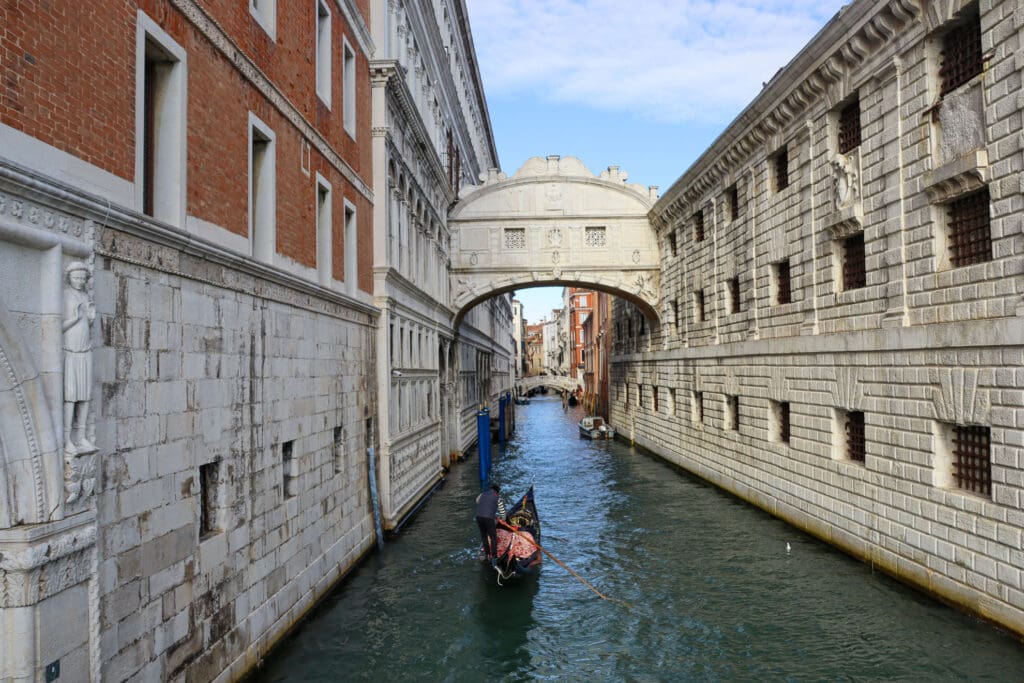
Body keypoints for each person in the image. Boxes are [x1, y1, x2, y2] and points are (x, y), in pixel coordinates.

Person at [475, 483, 506, 561]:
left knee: (484, 536)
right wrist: (503, 520)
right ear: (497, 491)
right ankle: (494, 556)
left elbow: (477, 501)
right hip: (488, 518)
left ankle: (487, 554)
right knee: (493, 537)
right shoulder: (498, 497)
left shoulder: (482, 494)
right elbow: (502, 513)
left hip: (478, 517)